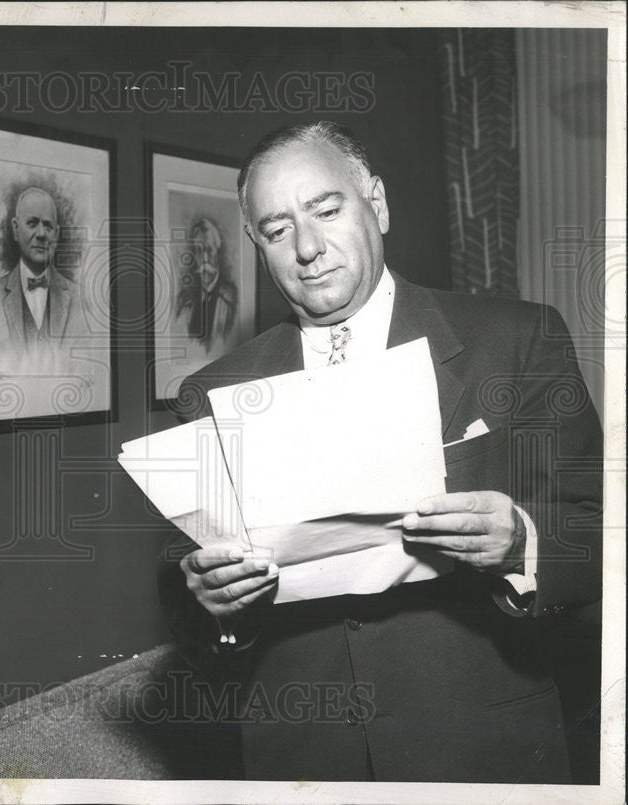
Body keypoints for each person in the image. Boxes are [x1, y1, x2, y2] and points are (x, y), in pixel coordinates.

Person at [161, 121, 603, 783]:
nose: (308, 247)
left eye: (326, 210)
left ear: (378, 203)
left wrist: (521, 542)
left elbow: (602, 529)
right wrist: (217, 605)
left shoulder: (516, 340)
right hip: (303, 762)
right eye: (278, 229)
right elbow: (198, 616)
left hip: (485, 751)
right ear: (256, 244)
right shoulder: (214, 394)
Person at [0, 186, 86, 372]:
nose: (41, 234)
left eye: (48, 225)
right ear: (16, 229)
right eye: (32, 223)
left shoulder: (83, 301)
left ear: (56, 234)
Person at [175, 217, 238, 353]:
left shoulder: (232, 300)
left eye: (209, 250)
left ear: (218, 254)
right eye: (198, 251)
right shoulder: (184, 301)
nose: (204, 259)